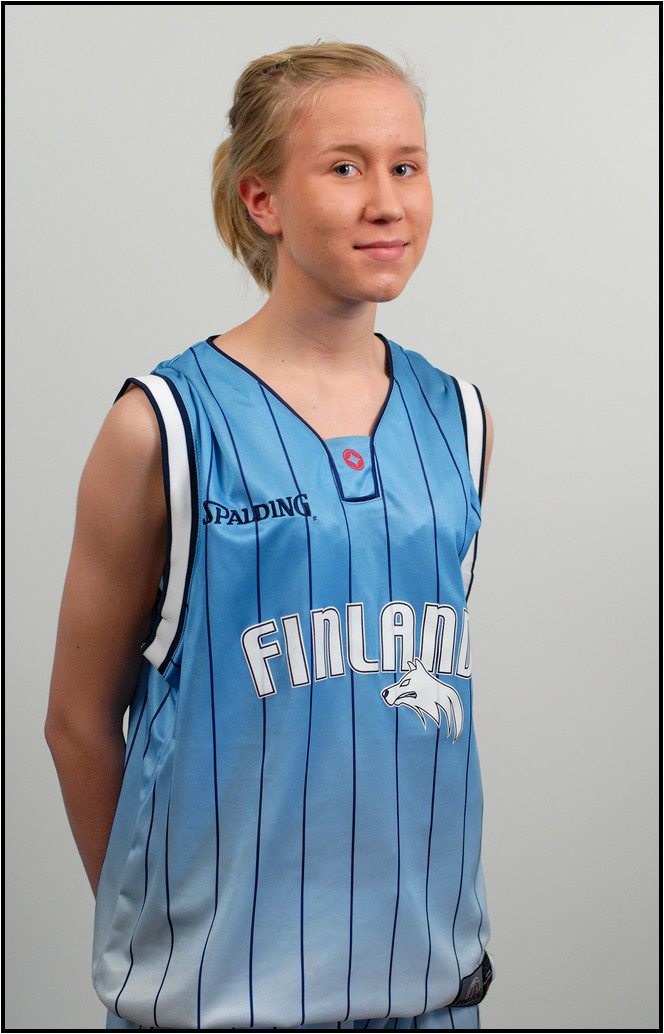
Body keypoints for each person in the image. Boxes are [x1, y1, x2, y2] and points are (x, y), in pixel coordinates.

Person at [45, 42, 494, 1032]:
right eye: (344, 167)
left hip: (430, 994)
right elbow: (76, 719)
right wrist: (160, 931)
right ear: (263, 200)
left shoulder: (459, 419)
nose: (386, 202)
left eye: (406, 165)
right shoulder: (164, 425)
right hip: (217, 1005)